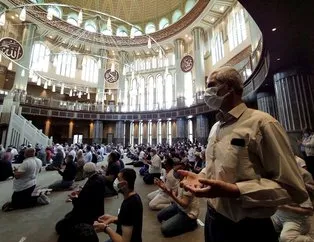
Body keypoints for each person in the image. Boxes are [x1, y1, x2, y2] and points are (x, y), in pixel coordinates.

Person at [179, 67, 308, 242]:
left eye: (211, 85)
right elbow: (218, 167)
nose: (206, 92)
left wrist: (236, 191)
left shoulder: (263, 123)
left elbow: (293, 188)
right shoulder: (215, 128)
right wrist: (201, 176)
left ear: (229, 88)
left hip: (248, 228)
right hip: (213, 218)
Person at [55, 163, 106, 238]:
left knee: (59, 227)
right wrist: (82, 192)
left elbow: (82, 204)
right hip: (98, 209)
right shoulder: (100, 178)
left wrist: (74, 198)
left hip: (88, 212)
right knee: (67, 217)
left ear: (86, 172)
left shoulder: (91, 184)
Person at [93, 168, 143, 242]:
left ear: (124, 184)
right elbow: (129, 220)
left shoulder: (129, 204)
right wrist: (112, 218)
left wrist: (105, 228)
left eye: (118, 179)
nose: (115, 181)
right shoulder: (134, 197)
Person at [271, 164, 314, 242]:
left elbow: (309, 211)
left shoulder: (297, 188)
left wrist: (286, 207)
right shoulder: (272, 186)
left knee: (286, 238)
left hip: (295, 220)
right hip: (277, 217)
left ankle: (309, 239)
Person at [157, 160, 199, 237]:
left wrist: (172, 195)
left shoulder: (188, 183)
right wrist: (164, 188)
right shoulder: (180, 179)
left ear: (183, 168)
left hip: (188, 213)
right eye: (174, 170)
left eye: (176, 171)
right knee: (160, 216)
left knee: (164, 229)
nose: (174, 172)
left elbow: (185, 204)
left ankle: (192, 223)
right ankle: (178, 219)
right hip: (179, 207)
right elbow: (175, 193)